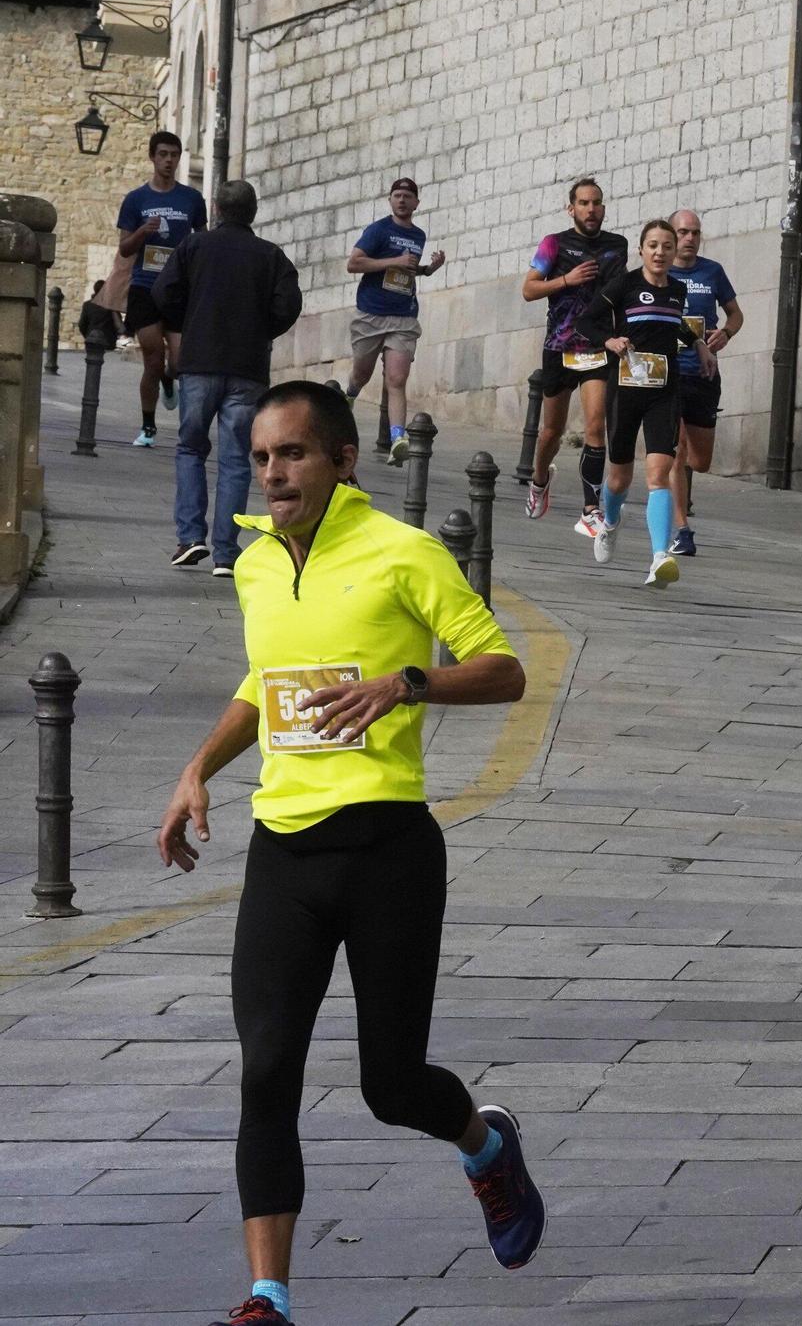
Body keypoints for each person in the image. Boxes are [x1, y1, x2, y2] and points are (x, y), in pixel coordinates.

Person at [155, 382, 544, 1326]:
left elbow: (505, 669)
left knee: (391, 1085)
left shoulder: (404, 555)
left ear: (341, 460)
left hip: (388, 853)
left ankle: (486, 1147)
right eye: (261, 456)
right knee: (265, 1070)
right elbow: (266, 679)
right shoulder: (252, 565)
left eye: (292, 453)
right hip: (282, 851)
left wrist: (407, 682)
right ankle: (267, 1296)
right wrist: (198, 765)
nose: (273, 471)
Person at [152, 180, 302, 576]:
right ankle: (225, 551)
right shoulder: (271, 255)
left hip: (200, 359)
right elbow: (288, 305)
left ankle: (190, 537)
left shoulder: (194, 246)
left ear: (216, 207)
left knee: (191, 447)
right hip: (248, 366)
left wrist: (191, 319)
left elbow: (164, 292)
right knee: (236, 456)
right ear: (252, 212)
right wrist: (261, 330)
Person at [574, 217, 715, 585]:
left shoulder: (677, 291)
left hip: (665, 393)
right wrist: (610, 341)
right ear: (641, 250)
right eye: (653, 245)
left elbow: (677, 324)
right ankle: (611, 519)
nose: (660, 252)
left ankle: (659, 557)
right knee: (619, 478)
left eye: (667, 246)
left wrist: (699, 344)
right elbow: (585, 323)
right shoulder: (624, 284)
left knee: (658, 475)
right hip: (625, 390)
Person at [521, 179, 627, 540]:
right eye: (584, 203)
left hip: (597, 346)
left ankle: (589, 509)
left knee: (596, 427)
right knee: (552, 432)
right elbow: (529, 289)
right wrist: (566, 279)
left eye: (597, 203)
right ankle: (539, 480)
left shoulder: (618, 246)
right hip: (560, 347)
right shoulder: (554, 243)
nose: (591, 209)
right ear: (572, 208)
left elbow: (619, 296)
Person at [341, 177, 444, 462]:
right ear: (390, 200)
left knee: (397, 378)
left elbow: (408, 271)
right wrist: (393, 262)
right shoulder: (378, 231)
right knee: (362, 373)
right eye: (397, 195)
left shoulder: (418, 235)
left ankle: (399, 437)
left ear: (416, 203)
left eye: (407, 196)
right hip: (371, 314)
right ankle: (350, 394)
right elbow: (354, 263)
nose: (402, 200)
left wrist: (427, 270)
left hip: (403, 316)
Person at [116, 130, 206, 447]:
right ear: (152, 157)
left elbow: (202, 238)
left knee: (180, 363)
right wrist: (143, 231)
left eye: (174, 155)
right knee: (152, 359)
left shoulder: (192, 199)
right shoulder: (136, 200)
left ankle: (171, 379)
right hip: (145, 285)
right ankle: (149, 427)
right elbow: (125, 248)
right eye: (163, 154)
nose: (169, 160)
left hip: (179, 288)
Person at [662, 208, 743, 557]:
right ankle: (682, 529)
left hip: (703, 372)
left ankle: (676, 500)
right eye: (683, 232)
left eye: (695, 233)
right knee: (675, 451)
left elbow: (736, 314)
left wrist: (725, 333)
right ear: (672, 234)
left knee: (701, 459)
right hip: (669, 371)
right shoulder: (659, 272)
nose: (690, 239)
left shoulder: (712, 272)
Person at [77, 279, 119, 345]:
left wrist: (88, 336)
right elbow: (118, 324)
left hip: (92, 340)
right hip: (108, 341)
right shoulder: (111, 305)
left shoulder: (87, 305)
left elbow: (82, 324)